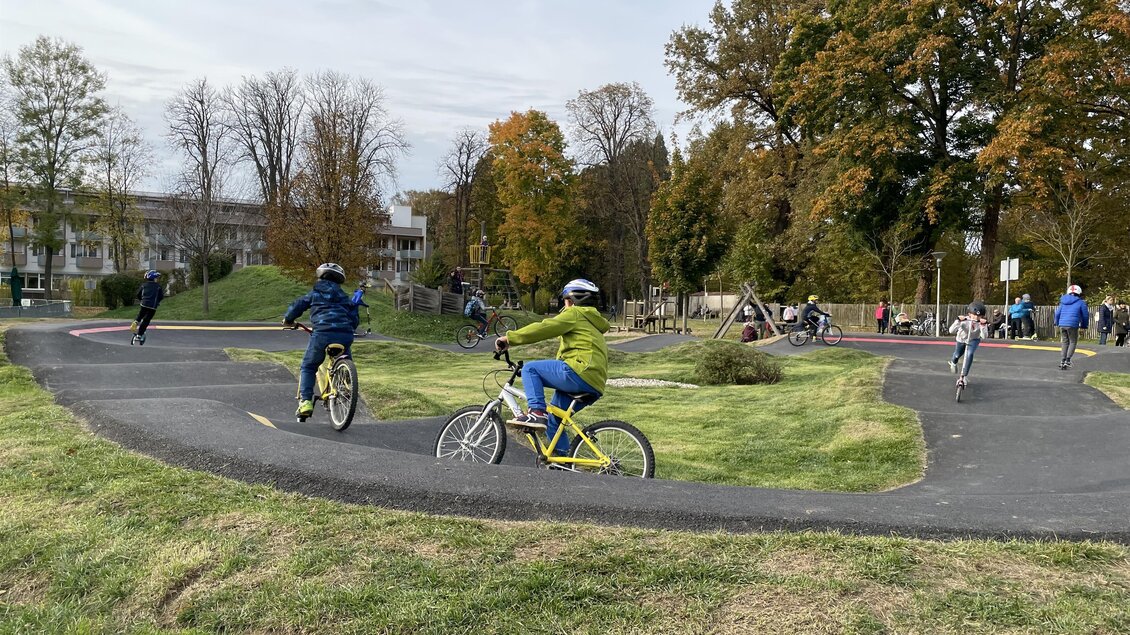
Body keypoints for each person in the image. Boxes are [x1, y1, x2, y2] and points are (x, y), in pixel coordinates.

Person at [495, 278, 610, 457]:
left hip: (579, 371)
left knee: (530, 369)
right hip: (593, 381)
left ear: (571, 300)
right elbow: (565, 355)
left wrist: (510, 339)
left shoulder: (576, 314)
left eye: (565, 300)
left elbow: (545, 328)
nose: (564, 305)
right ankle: (562, 462)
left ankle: (536, 412)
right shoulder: (592, 321)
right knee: (553, 421)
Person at [284, 263, 359, 418]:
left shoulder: (315, 293)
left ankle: (305, 402)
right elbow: (354, 318)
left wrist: (288, 319)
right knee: (345, 354)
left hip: (322, 333)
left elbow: (297, 306)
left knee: (309, 366)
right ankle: (346, 382)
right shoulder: (344, 297)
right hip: (345, 334)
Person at [948, 302, 988, 381]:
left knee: (969, 354)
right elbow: (951, 331)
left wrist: (983, 326)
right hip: (961, 339)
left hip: (974, 340)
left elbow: (984, 336)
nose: (976, 318)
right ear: (969, 314)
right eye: (974, 315)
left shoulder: (982, 323)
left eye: (979, 316)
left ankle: (964, 375)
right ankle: (953, 362)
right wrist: (958, 321)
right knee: (957, 355)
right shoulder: (964, 320)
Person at [1054, 285, 1089, 370]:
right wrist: (1084, 325)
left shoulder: (1063, 302)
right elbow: (1085, 315)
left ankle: (1062, 360)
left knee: (1065, 342)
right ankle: (1068, 360)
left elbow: (1057, 313)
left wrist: (1057, 322)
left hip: (1062, 324)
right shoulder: (1081, 302)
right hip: (1073, 324)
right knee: (1073, 341)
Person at [130, 270, 165, 340]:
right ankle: (139, 335)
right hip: (153, 306)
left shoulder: (144, 285)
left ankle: (136, 322)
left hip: (144, 304)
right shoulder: (158, 287)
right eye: (156, 278)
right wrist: (157, 302)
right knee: (146, 320)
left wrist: (142, 300)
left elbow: (138, 294)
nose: (157, 279)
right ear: (154, 278)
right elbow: (161, 296)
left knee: (140, 315)